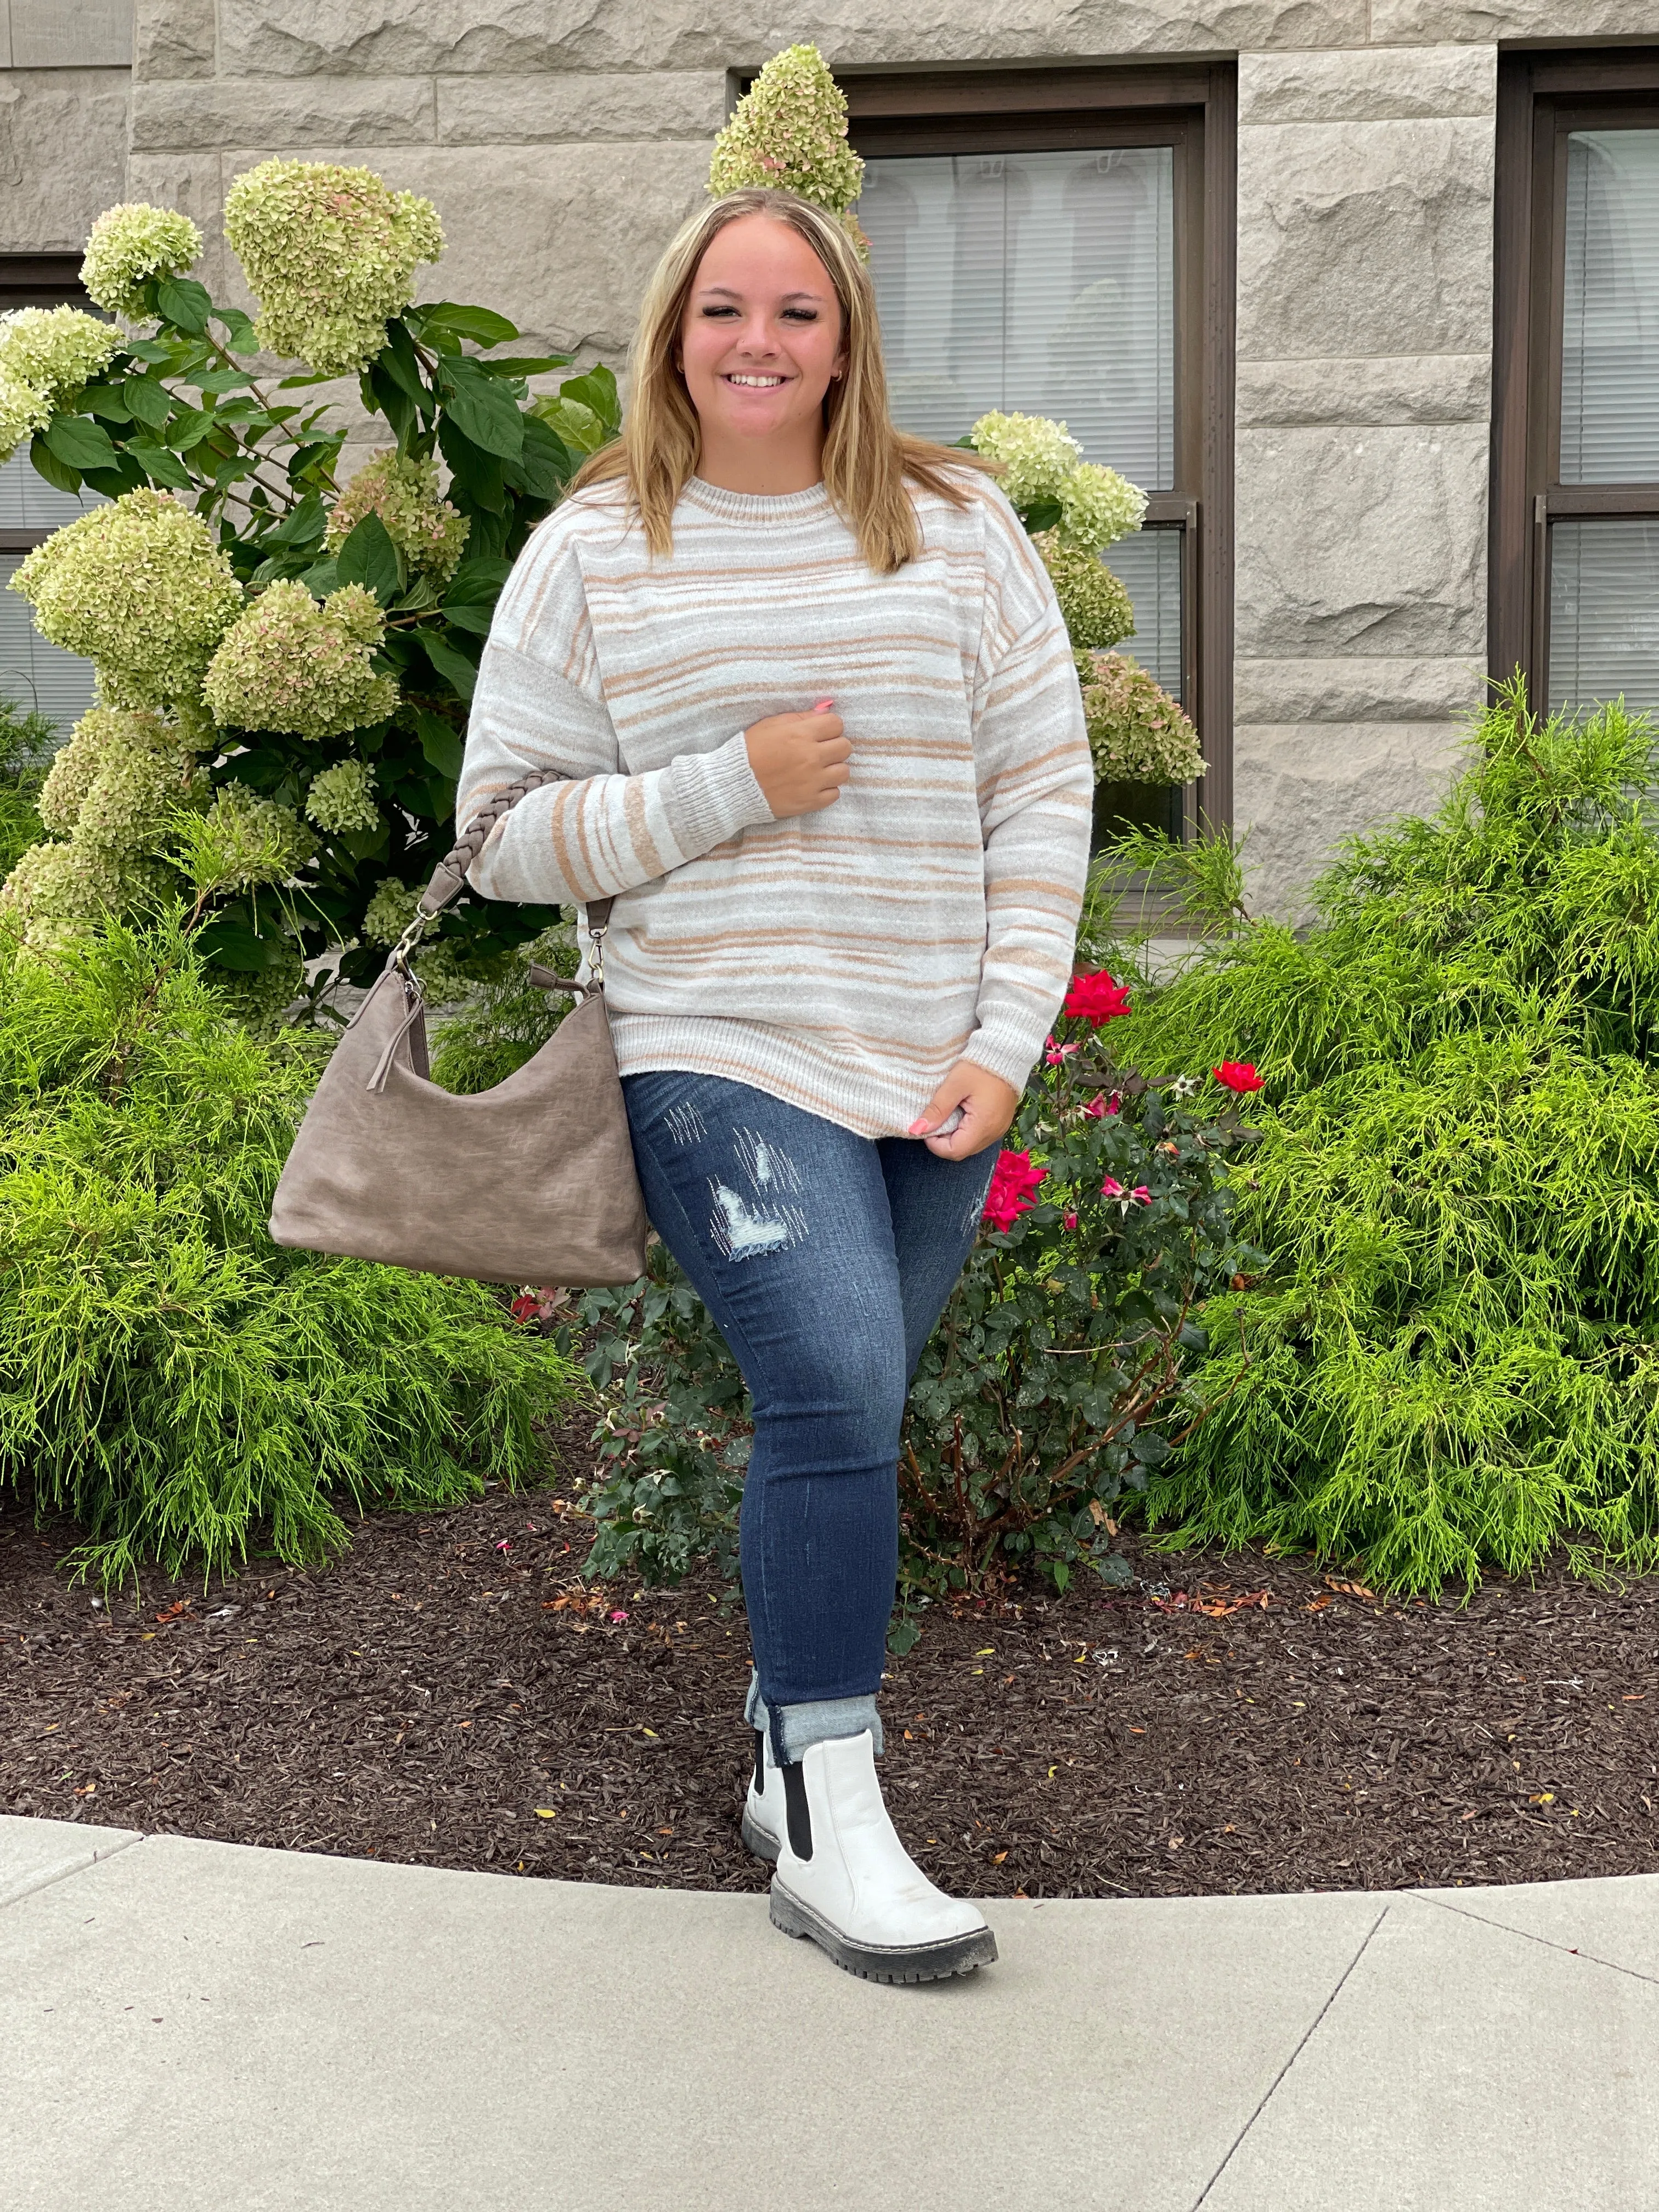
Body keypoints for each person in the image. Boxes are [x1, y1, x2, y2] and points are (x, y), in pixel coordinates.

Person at [459, 184, 1092, 1983]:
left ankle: (776, 1741)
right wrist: (729, 780)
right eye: (723, 308)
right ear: (672, 330)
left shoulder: (959, 529)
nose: (758, 343)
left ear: (846, 336)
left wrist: (1004, 1037)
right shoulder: (593, 548)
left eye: (796, 312)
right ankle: (830, 1806)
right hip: (715, 1043)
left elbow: (1042, 787)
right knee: (828, 1381)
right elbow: (499, 836)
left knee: (853, 1411)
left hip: (932, 1062)